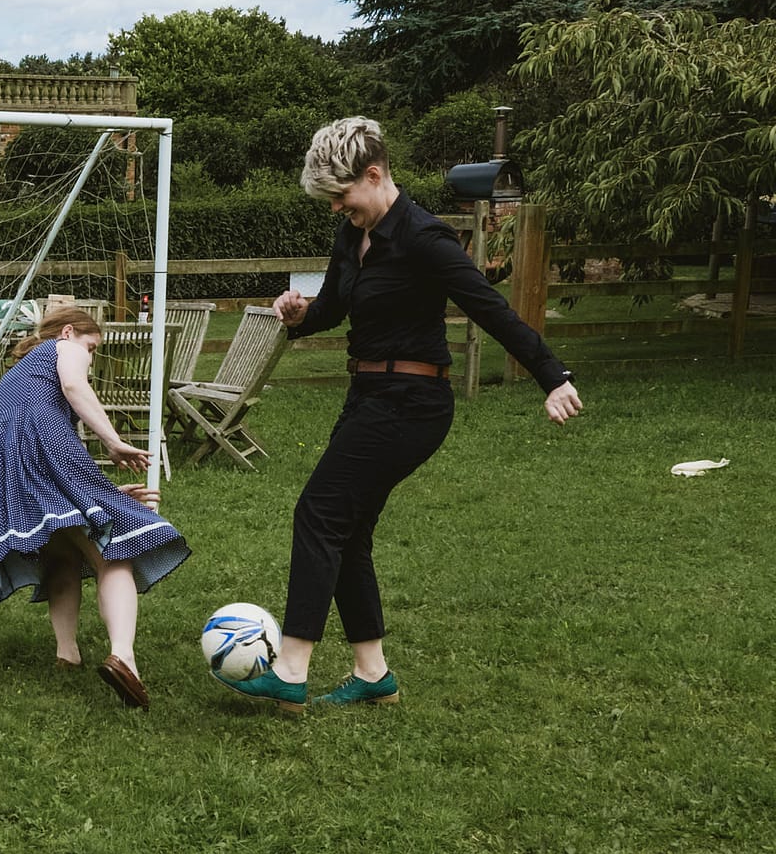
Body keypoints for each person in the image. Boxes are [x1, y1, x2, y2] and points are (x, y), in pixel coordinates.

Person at [218, 116, 583, 715]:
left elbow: (490, 309)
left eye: (341, 195)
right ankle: (373, 673)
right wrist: (299, 312)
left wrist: (552, 376)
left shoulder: (425, 238)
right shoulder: (351, 237)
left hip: (413, 403)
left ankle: (290, 668)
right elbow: (333, 308)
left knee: (319, 512)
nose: (337, 208)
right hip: (367, 395)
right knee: (347, 529)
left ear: (374, 174)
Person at [0, 308, 191, 709]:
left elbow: (34, 442)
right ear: (69, 331)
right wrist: (112, 441)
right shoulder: (64, 348)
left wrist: (98, 496)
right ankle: (124, 658)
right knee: (114, 553)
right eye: (92, 347)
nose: (90, 357)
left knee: (61, 554)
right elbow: (74, 388)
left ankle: (67, 654)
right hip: (39, 453)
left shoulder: (21, 371)